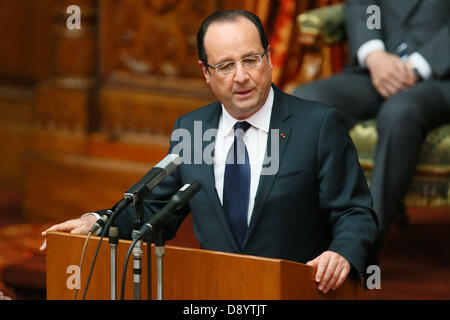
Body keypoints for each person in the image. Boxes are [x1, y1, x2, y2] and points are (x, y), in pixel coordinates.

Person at [41, 10, 378, 294]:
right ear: (205, 72)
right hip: (216, 294)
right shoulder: (193, 130)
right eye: (226, 66)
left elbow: (355, 212)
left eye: (250, 60)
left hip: (295, 292)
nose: (242, 76)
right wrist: (98, 222)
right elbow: (155, 211)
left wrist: (341, 253)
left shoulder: (318, 126)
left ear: (269, 57)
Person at [294, 0, 450, 247]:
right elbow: (361, 4)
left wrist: (419, 65)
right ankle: (304, 225)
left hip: (441, 78)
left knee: (400, 112)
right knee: (307, 100)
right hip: (376, 71)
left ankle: (363, 236)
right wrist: (373, 54)